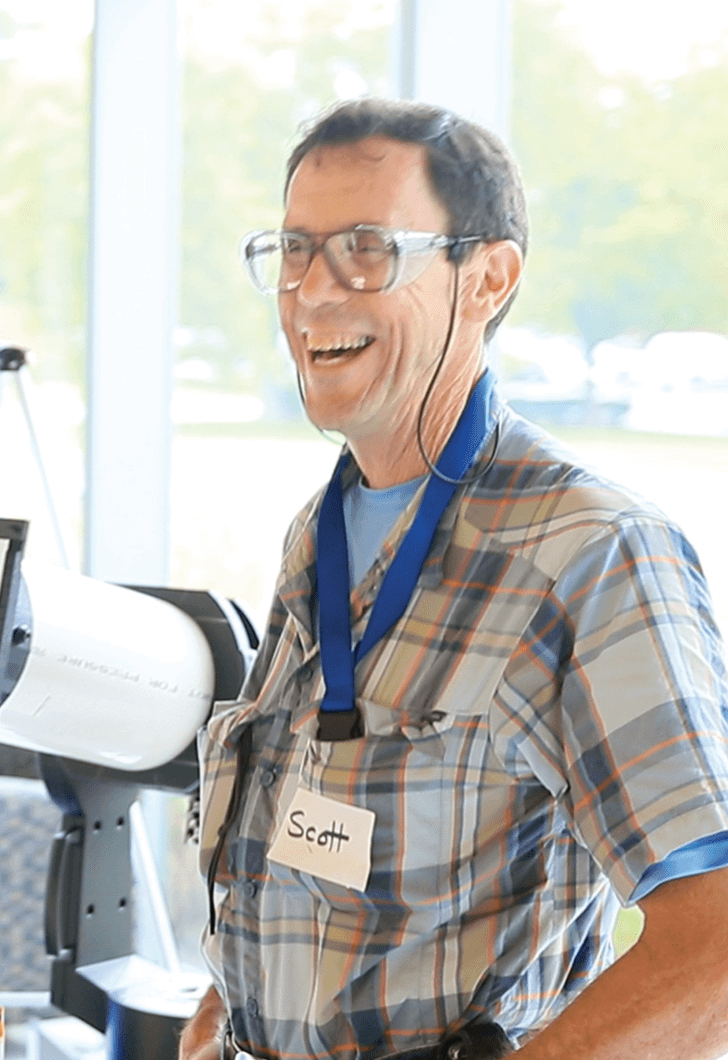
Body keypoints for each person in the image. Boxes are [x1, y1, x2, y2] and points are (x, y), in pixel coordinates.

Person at [180, 98, 728, 1060]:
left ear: (487, 279)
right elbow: (310, 842)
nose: (312, 292)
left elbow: (716, 946)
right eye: (294, 250)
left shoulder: (590, 552)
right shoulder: (320, 535)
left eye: (365, 248)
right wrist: (226, 1008)